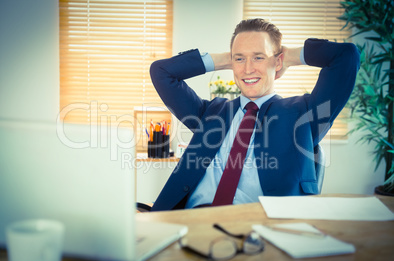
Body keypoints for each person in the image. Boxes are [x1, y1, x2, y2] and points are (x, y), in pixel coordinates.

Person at [149, 18, 360, 211]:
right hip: (189, 221)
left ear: (277, 62)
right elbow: (161, 72)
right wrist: (228, 59)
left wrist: (289, 57)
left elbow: (346, 56)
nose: (248, 69)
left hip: (256, 231)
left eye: (259, 58)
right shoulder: (211, 113)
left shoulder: (302, 114)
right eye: (240, 59)